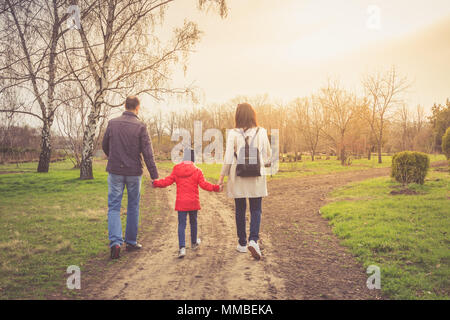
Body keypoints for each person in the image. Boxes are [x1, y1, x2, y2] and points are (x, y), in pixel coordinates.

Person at [102, 96, 158, 259]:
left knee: (114, 206)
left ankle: (115, 243)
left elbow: (105, 145)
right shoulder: (141, 126)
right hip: (134, 172)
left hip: (115, 171)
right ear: (138, 108)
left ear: (124, 105)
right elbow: (148, 153)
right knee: (133, 206)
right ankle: (131, 242)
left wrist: (113, 157)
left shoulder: (112, 123)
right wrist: (154, 176)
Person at [218, 103, 272, 260]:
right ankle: (253, 240)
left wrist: (221, 178)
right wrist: (259, 161)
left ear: (238, 116)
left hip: (238, 176)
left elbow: (228, 158)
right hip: (256, 175)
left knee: (240, 209)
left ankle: (242, 243)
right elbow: (269, 155)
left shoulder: (233, 134)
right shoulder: (261, 132)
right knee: (256, 209)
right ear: (253, 115)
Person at [152, 148, 222, 258]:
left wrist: (156, 183)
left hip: (181, 203)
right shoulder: (197, 171)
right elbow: (204, 185)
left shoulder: (176, 169)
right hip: (193, 202)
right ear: (193, 159)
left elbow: (167, 181)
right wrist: (216, 188)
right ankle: (194, 243)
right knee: (193, 222)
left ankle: (182, 248)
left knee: (181, 224)